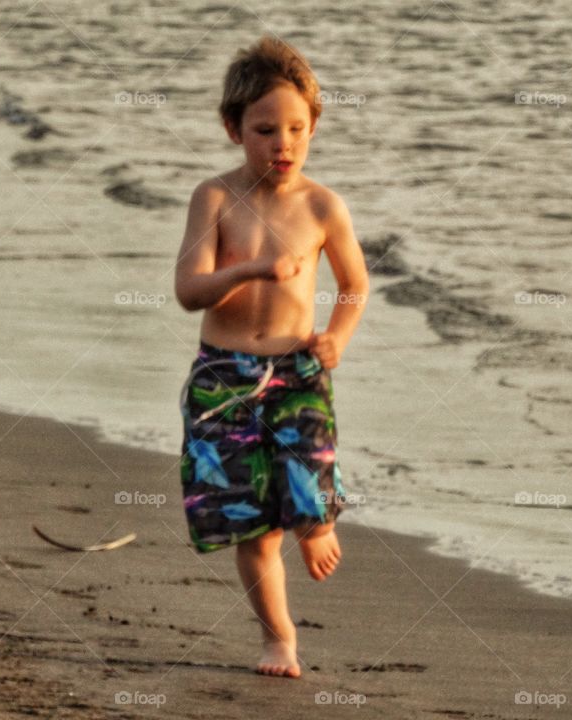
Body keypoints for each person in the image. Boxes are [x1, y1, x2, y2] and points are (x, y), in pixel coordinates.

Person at [174, 35, 369, 679]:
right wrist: (253, 268)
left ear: (314, 126)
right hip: (223, 376)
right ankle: (279, 638)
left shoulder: (322, 206)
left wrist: (336, 336)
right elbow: (188, 290)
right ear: (233, 129)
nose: (282, 143)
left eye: (296, 128)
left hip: (297, 373)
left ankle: (317, 521)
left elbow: (355, 285)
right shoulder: (215, 198)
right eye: (264, 130)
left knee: (307, 477)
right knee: (251, 526)